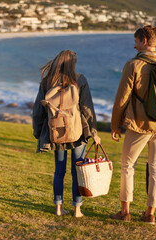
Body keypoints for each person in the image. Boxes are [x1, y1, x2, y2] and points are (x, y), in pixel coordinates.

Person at [110, 25, 156, 224]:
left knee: (127, 166)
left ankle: (125, 212)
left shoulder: (134, 65)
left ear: (144, 41)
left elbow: (121, 99)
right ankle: (150, 213)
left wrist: (115, 125)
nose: (134, 46)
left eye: (136, 41)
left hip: (139, 125)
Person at [33, 50, 101, 218]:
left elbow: (37, 111)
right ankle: (77, 210)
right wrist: (92, 131)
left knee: (59, 171)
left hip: (56, 132)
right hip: (77, 132)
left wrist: (38, 132)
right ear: (73, 64)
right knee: (77, 171)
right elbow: (87, 108)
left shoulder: (47, 81)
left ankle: (58, 208)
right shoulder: (80, 80)